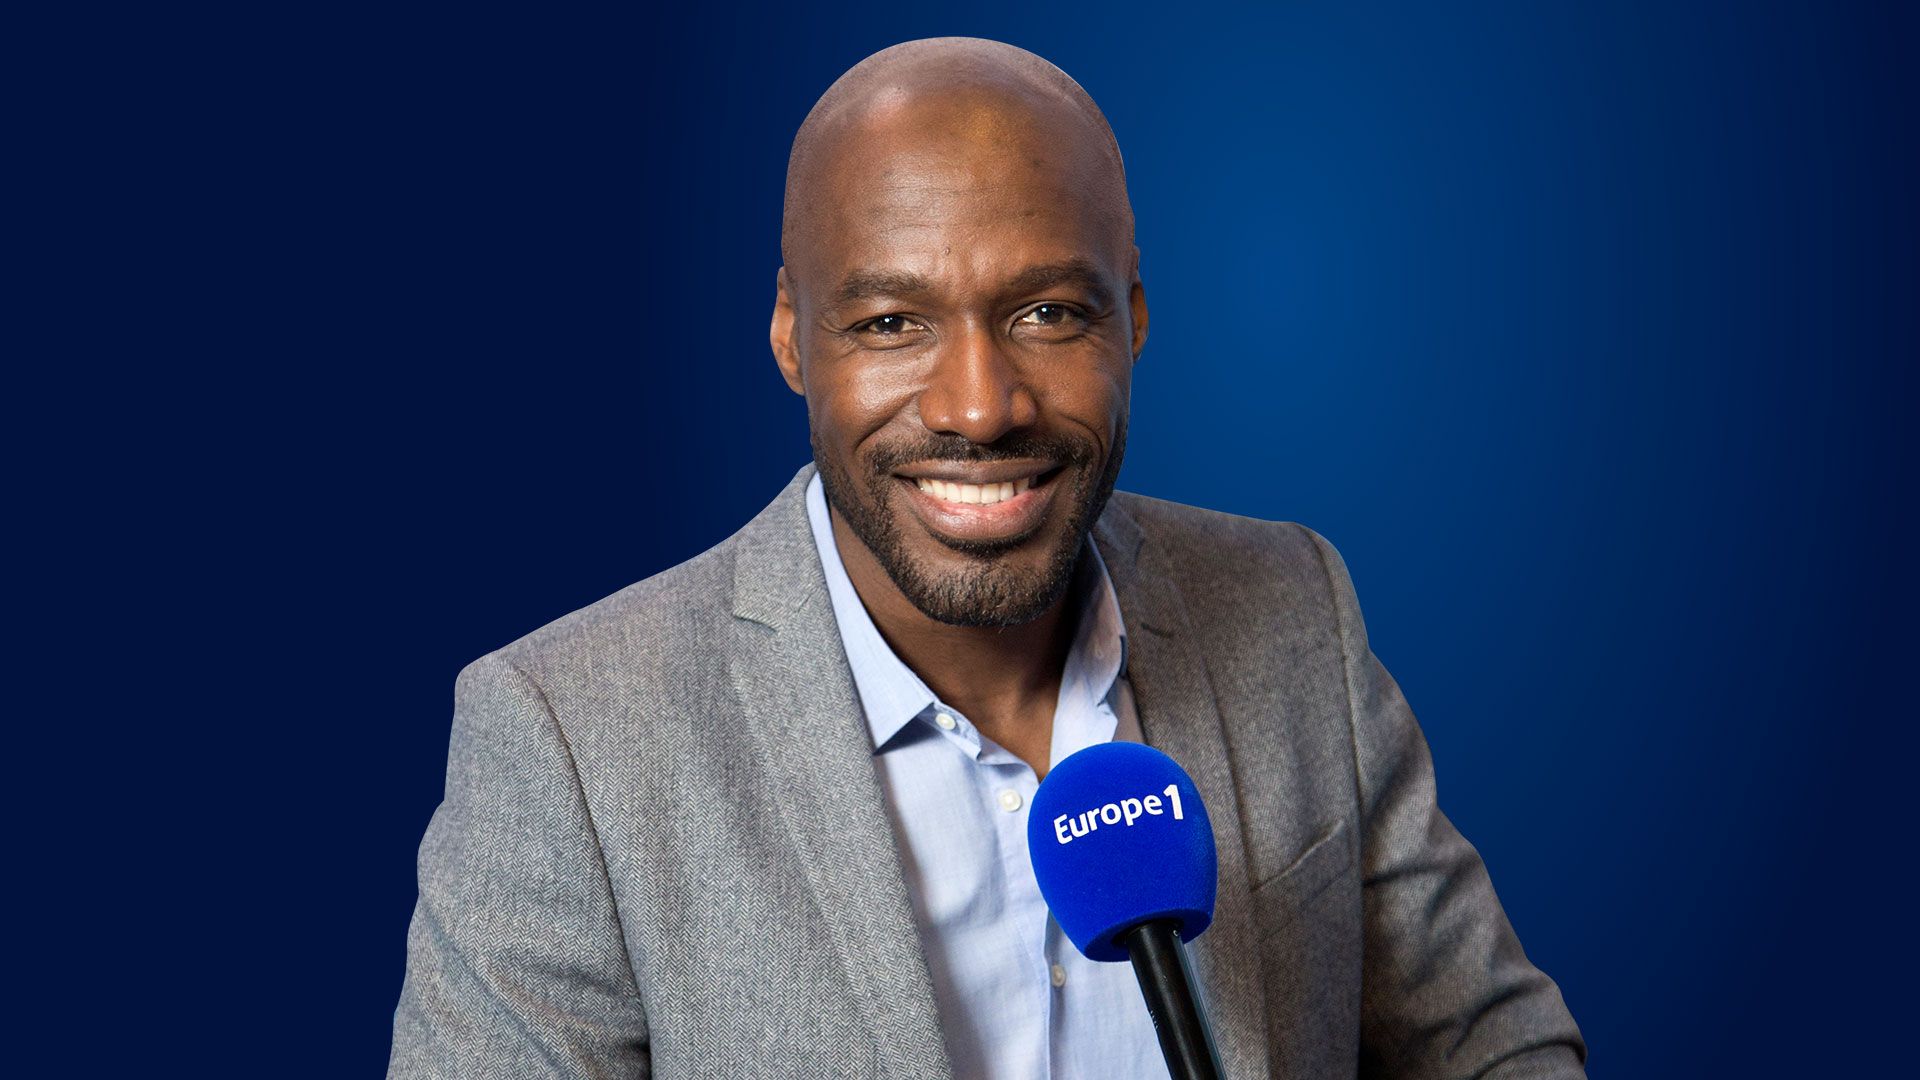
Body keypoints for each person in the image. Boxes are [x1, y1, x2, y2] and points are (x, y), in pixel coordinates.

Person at [388, 37, 1587, 1079]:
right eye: (892, 323)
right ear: (792, 336)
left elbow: (1496, 1053)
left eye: (1048, 314)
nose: (979, 406)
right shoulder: (570, 740)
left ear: (1134, 316)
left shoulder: (1291, 609)